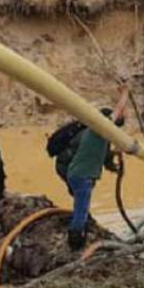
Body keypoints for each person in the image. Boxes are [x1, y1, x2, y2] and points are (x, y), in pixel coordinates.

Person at [54, 85, 130, 251]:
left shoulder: (97, 134)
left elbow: (105, 152)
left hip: (77, 173)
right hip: (81, 175)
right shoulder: (98, 130)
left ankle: (80, 234)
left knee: (81, 207)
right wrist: (125, 93)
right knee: (81, 210)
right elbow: (117, 112)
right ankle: (76, 242)